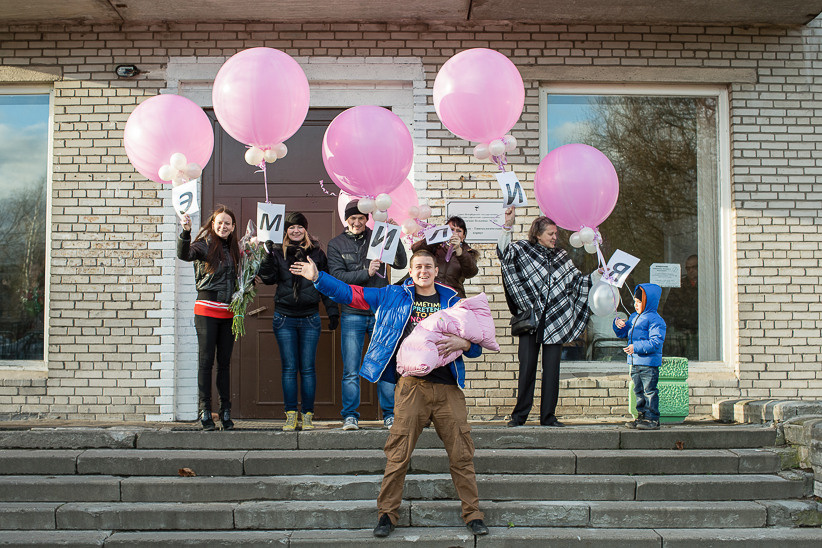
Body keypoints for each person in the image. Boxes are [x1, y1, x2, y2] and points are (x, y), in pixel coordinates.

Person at [293, 249, 489, 538]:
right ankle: (387, 514)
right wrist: (318, 279)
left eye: (428, 267)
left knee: (462, 454)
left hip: (448, 389)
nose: (423, 271)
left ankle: (473, 514)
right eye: (418, 267)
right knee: (398, 454)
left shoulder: (453, 301)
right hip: (411, 388)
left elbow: (476, 346)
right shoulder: (393, 295)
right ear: (410, 272)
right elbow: (351, 294)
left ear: (436, 271)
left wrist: (463, 342)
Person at [497, 206, 595, 427]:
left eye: (555, 233)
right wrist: (508, 225)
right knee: (527, 370)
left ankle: (548, 417)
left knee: (552, 372)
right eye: (550, 233)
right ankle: (519, 416)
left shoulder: (561, 256)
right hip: (530, 320)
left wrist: (597, 276)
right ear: (538, 234)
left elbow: (577, 282)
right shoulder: (522, 249)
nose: (554, 237)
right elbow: (503, 254)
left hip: (555, 322)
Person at [327, 199, 408, 430]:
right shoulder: (336, 244)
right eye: (352, 218)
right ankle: (350, 415)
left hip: (380, 312)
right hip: (352, 312)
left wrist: (395, 234)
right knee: (351, 369)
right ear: (346, 220)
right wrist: (365, 272)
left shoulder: (379, 235)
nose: (357, 222)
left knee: (384, 363)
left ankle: (389, 414)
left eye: (361, 218)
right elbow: (337, 278)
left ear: (367, 219)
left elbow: (401, 262)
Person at [258, 212, 340, 432]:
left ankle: (308, 416)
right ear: (285, 230)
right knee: (289, 368)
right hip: (284, 318)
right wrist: (266, 256)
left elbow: (326, 283)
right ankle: (291, 415)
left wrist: (332, 311)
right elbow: (267, 278)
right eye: (291, 227)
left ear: (305, 229)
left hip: (310, 318)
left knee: (307, 369)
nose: (295, 231)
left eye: (299, 227)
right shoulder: (276, 252)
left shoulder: (316, 253)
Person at [176, 206, 240, 431]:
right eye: (219, 222)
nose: (223, 227)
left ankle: (225, 411)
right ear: (213, 224)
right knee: (206, 362)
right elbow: (184, 255)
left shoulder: (235, 248)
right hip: (206, 310)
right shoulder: (204, 244)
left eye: (228, 223)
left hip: (228, 312)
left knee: (224, 364)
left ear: (233, 227)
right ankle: (205, 411)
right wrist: (185, 232)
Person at [613, 283, 667, 430]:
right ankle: (641, 416)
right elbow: (624, 333)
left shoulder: (655, 320)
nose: (635, 305)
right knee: (639, 391)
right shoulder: (633, 317)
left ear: (648, 302)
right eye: (635, 302)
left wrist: (635, 347)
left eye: (639, 302)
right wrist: (618, 325)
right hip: (635, 362)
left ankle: (652, 419)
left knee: (649, 391)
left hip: (649, 364)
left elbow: (656, 342)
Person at [410, 215, 479, 298]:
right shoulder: (436, 247)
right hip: (432, 294)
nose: (454, 233)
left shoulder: (468, 252)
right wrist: (436, 237)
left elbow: (470, 273)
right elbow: (416, 249)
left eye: (459, 231)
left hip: (453, 296)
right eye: (451, 229)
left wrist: (459, 251)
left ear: (463, 237)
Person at [662, 254, 698, 359]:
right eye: (688, 268)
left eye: (694, 267)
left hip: (699, 331)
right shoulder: (679, 285)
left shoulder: (708, 283)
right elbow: (668, 309)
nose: (691, 271)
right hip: (680, 331)